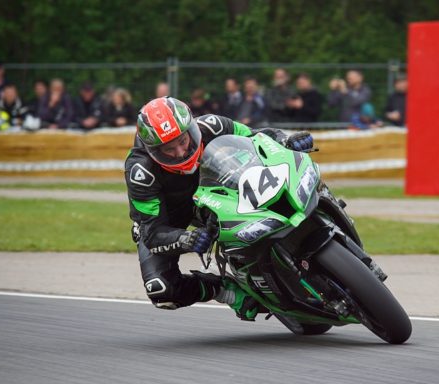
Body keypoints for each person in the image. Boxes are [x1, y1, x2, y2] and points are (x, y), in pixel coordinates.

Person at [125, 96, 313, 320]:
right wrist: (187, 238)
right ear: (152, 150)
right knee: (161, 289)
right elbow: (152, 232)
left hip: (218, 190)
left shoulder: (212, 125)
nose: (180, 152)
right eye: (168, 149)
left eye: (182, 141)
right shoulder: (140, 172)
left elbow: (256, 136)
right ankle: (226, 290)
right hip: (171, 220)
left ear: (191, 128)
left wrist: (285, 141)